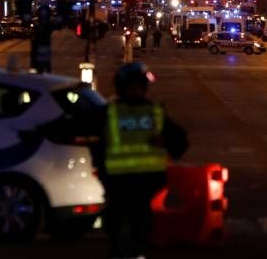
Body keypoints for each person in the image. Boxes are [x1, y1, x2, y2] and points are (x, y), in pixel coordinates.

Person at [27, 62, 188, 258]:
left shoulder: (138, 113)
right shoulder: (132, 113)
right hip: (127, 183)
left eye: (138, 86)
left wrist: (37, 131)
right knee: (127, 227)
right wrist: (41, 131)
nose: (135, 91)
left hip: (134, 182)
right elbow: (75, 126)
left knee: (127, 227)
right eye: (132, 86)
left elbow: (180, 140)